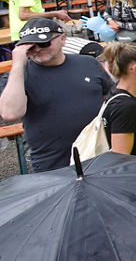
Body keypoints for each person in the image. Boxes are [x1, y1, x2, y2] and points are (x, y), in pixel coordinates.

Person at [0, 19, 114, 172]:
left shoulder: (88, 63)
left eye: (44, 43)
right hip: (52, 163)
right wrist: (18, 63)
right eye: (30, 46)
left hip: (98, 153)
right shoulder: (17, 76)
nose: (37, 49)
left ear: (62, 39)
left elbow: (109, 98)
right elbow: (10, 113)